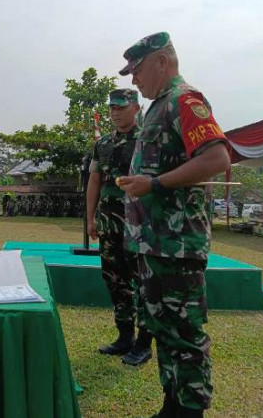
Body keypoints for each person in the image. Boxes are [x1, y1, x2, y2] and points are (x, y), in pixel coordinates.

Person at [118, 32, 230, 418]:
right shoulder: (157, 107)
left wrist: (155, 184)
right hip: (154, 243)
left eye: (137, 70)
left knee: (185, 334)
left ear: (162, 61)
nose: (133, 79)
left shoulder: (185, 100)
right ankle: (173, 405)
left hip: (177, 244)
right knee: (163, 330)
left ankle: (190, 411)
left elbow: (217, 158)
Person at [86, 88, 152, 366]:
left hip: (140, 222)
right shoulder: (103, 144)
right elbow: (94, 181)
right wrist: (91, 218)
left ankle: (144, 343)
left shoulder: (148, 140)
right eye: (112, 108)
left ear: (136, 108)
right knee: (114, 279)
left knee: (144, 282)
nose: (115, 112)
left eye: (121, 107)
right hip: (109, 221)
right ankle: (124, 336)